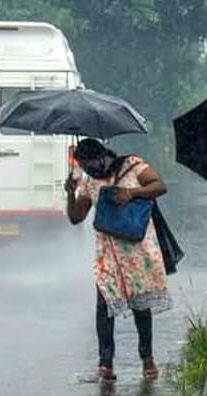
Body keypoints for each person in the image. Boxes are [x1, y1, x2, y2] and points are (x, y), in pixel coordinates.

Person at [65, 138, 172, 382]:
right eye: (85, 167)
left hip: (137, 252)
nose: (90, 170)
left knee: (140, 307)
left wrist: (131, 193)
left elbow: (159, 185)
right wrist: (71, 194)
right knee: (104, 308)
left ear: (102, 156)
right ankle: (106, 365)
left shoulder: (132, 166)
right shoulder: (90, 182)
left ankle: (147, 359)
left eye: (92, 164)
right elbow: (76, 217)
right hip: (108, 255)